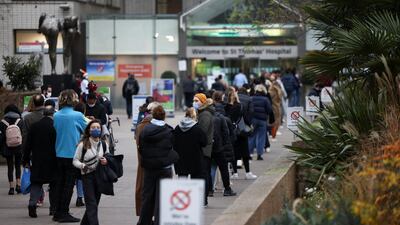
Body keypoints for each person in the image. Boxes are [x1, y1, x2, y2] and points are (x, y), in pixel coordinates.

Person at [137, 106, 178, 225]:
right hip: (165, 168)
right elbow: (171, 146)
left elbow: (141, 148)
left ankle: (144, 221)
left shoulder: (145, 130)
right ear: (164, 116)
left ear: (152, 115)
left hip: (149, 168)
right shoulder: (169, 130)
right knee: (162, 198)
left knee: (147, 197)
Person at [52, 89, 87, 223]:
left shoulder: (56, 115)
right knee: (69, 185)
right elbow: (90, 127)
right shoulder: (77, 115)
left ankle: (57, 211)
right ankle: (64, 213)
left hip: (58, 154)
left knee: (60, 184)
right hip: (72, 154)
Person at [23, 104, 57, 218]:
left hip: (37, 159)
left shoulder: (34, 126)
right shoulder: (55, 126)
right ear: (53, 114)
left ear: (43, 114)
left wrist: (26, 159)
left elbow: (28, 145)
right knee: (54, 183)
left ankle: (32, 204)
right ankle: (53, 208)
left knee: (36, 182)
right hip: (53, 160)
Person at [73, 119, 109, 225]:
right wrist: (82, 165)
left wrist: (106, 161)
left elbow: (109, 157)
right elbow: (75, 160)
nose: (96, 129)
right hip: (87, 176)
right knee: (92, 203)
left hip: (99, 176)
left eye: (98, 128)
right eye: (93, 128)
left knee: (94, 203)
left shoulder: (104, 144)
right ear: (89, 130)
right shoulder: (82, 145)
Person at [134, 101, 161, 217]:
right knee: (149, 191)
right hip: (151, 163)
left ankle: (145, 215)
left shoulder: (141, 125)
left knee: (144, 190)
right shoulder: (151, 126)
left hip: (144, 162)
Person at [225, 90, 257, 179]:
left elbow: (228, 118)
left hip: (232, 133)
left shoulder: (227, 107)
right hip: (242, 132)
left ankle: (235, 173)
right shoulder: (239, 106)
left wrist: (230, 103)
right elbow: (245, 118)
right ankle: (248, 173)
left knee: (234, 153)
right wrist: (250, 125)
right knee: (245, 153)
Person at [193, 93, 214, 206]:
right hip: (202, 149)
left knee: (203, 174)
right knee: (202, 174)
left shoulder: (205, 115)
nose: (194, 102)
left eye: (196, 100)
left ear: (202, 102)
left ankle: (203, 199)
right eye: (194, 100)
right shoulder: (201, 113)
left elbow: (202, 132)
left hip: (204, 150)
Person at [173, 108, 207, 178]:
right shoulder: (197, 129)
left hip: (181, 159)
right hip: (195, 160)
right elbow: (204, 142)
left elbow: (173, 143)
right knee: (195, 183)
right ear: (194, 116)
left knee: (182, 184)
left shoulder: (177, 128)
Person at [0, 104, 24, 195]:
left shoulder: (2, 122)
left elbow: (1, 137)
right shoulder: (20, 121)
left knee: (10, 167)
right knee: (18, 166)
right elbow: (23, 135)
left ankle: (11, 188)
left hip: (7, 147)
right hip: (18, 146)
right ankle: (18, 185)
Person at [249, 85, 274, 160]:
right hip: (262, 120)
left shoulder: (251, 98)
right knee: (261, 137)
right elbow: (269, 110)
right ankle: (259, 155)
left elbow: (249, 109)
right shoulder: (265, 99)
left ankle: (250, 154)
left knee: (251, 136)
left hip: (253, 120)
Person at [268, 74, 283, 141]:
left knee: (273, 122)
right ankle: (274, 135)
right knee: (277, 121)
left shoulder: (271, 90)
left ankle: (273, 135)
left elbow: (269, 97)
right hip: (278, 106)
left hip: (273, 106)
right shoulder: (279, 91)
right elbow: (280, 98)